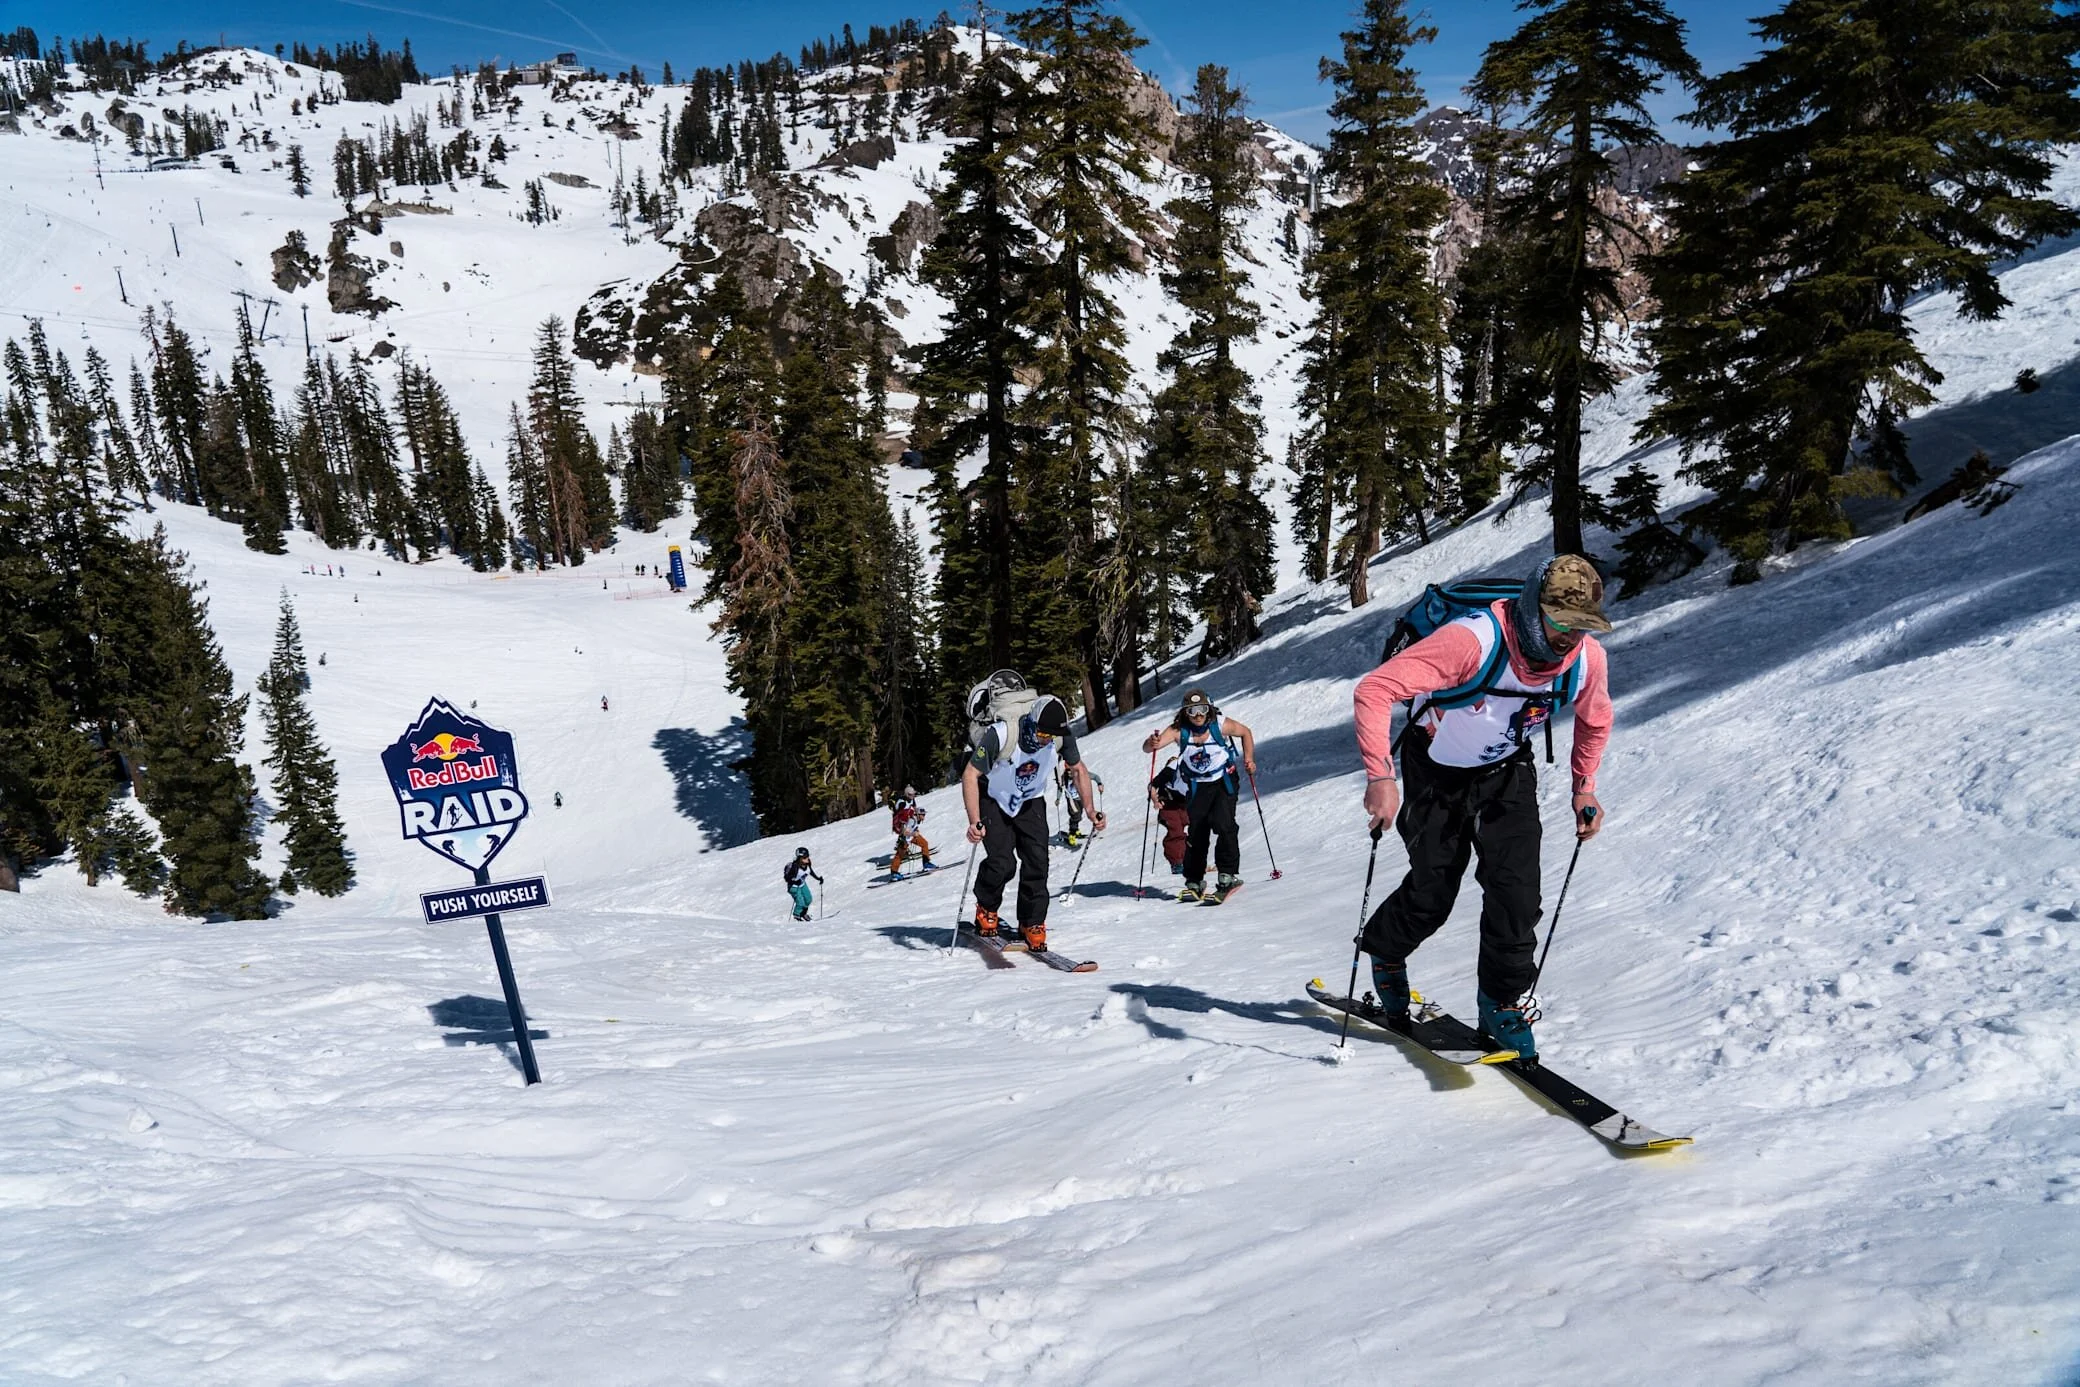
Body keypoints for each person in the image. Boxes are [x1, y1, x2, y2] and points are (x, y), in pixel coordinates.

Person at [1352, 553, 1614, 1061]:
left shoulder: (1587, 658)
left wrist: (1584, 786)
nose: (1568, 639)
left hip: (1506, 773)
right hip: (1434, 772)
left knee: (1517, 895)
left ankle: (1500, 1002)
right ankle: (1386, 951)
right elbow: (1375, 688)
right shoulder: (1473, 639)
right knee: (1434, 890)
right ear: (1532, 610)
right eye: (1560, 624)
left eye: (1581, 628)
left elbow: (1596, 718)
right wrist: (1381, 776)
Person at [962, 693, 1104, 952]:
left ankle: (1032, 921)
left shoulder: (1060, 735)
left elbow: (1078, 769)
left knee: (1038, 861)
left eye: (1049, 737)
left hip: (1030, 800)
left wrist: (1090, 810)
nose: (1045, 741)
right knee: (1002, 863)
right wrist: (974, 821)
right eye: (1042, 735)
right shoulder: (1002, 733)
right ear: (1031, 722)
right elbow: (970, 775)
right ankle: (986, 907)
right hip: (994, 799)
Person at [1140, 688, 1256, 903]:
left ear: (1209, 709)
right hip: (1196, 785)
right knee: (1196, 832)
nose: (1198, 715)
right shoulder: (1178, 730)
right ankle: (1194, 880)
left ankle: (1227, 875)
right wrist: (1152, 743)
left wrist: (1249, 759)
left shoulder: (1220, 724)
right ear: (1185, 712)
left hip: (1223, 781)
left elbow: (1245, 732)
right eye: (1192, 711)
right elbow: (1149, 749)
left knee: (1224, 824)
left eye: (1202, 709)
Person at [1148, 757, 1190, 875]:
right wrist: (1155, 801)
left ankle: (1189, 858)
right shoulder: (1166, 776)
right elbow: (1152, 787)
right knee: (1176, 831)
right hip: (1167, 807)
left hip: (1182, 806)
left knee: (1194, 829)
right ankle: (1176, 862)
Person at [889, 786, 936, 878]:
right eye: (923, 815)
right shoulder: (909, 816)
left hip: (911, 835)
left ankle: (926, 863)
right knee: (900, 854)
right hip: (905, 838)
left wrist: (914, 831)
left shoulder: (915, 818)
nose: (924, 817)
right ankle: (894, 873)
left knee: (924, 843)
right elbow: (904, 830)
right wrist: (912, 833)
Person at [1059, 768, 1105, 848]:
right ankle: (1072, 834)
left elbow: (1095, 777)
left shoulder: (1081, 773)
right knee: (1075, 815)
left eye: (1071, 771)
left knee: (1079, 814)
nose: (1070, 773)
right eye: (1068, 771)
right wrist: (1058, 798)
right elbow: (1060, 787)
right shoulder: (1064, 777)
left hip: (1081, 798)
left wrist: (1099, 784)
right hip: (1071, 799)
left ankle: (1076, 830)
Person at [782, 847, 823, 922]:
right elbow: (787, 878)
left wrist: (818, 878)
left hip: (802, 884)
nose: (807, 858)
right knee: (800, 902)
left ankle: (803, 914)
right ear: (800, 858)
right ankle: (796, 915)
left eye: (807, 856)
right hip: (793, 887)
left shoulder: (807, 864)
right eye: (804, 857)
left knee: (808, 899)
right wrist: (794, 881)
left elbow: (810, 871)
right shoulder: (795, 867)